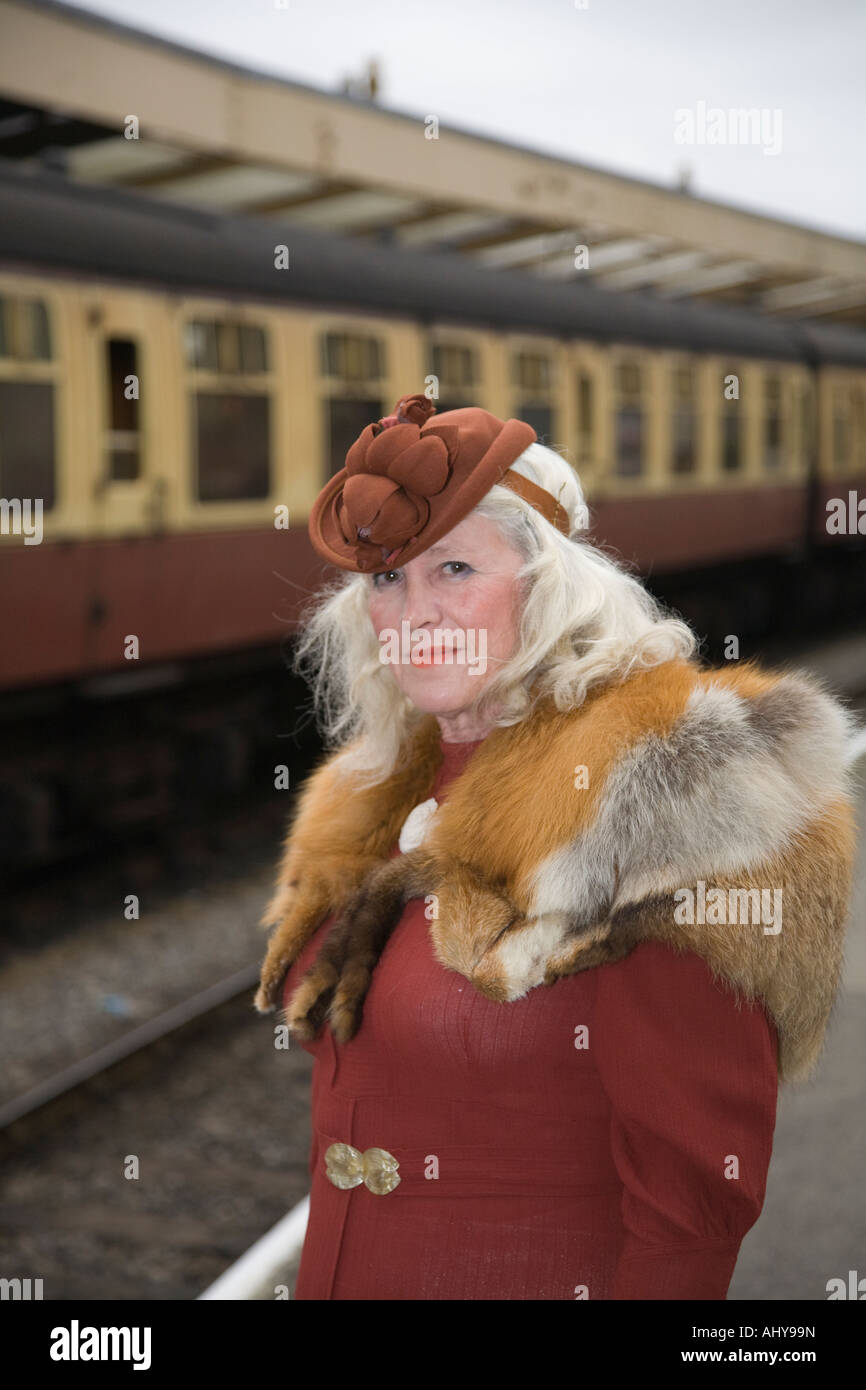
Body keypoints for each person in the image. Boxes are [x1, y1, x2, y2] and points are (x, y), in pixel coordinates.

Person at [256, 393, 856, 1301]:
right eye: (388, 580)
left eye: (455, 568)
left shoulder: (653, 792)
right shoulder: (375, 792)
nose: (414, 612)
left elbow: (695, 1202)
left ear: (551, 588)